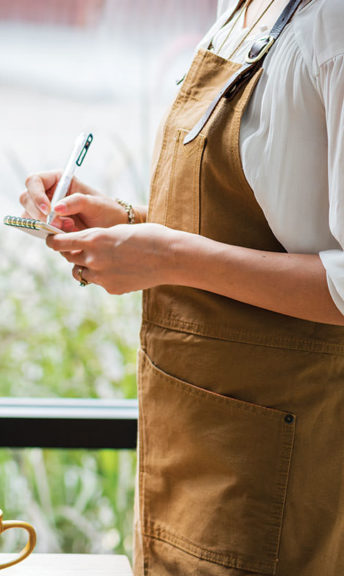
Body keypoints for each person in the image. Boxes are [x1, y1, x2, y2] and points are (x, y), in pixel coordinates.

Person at [20, 0, 343, 574]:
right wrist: (129, 226)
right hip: (195, 444)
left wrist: (167, 255)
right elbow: (266, 227)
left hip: (281, 460)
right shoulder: (242, 7)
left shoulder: (333, 26)